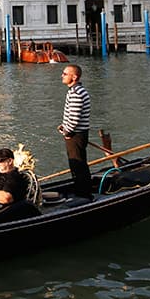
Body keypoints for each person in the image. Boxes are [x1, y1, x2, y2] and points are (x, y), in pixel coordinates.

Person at [59, 64, 93, 199]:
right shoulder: (75, 91)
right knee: (77, 163)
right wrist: (64, 126)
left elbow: (74, 118)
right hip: (77, 133)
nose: (62, 75)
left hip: (75, 135)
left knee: (78, 164)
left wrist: (67, 132)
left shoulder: (76, 93)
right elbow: (71, 115)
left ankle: (84, 194)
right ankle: (82, 190)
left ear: (74, 77)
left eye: (65, 74)